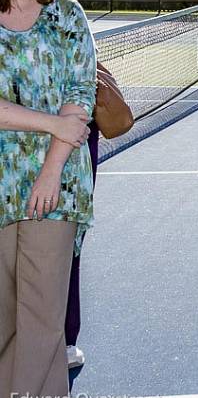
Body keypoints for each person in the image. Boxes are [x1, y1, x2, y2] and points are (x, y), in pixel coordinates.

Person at [0, 0, 96, 398]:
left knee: (41, 322)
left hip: (55, 189)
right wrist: (51, 123)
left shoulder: (68, 14)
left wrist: (51, 168)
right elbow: (59, 118)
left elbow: (80, 93)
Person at [65, 62, 133, 368]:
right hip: (63, 175)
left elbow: (115, 120)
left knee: (66, 250)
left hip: (71, 173)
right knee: (66, 252)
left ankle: (65, 338)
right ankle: (63, 340)